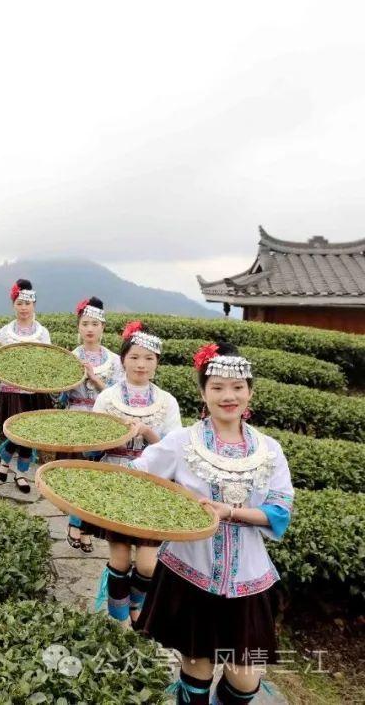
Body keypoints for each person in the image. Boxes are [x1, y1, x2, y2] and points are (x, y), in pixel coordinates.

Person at [134, 343, 292, 705]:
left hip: (247, 581)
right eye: (217, 387)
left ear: (250, 392)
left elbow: (280, 509)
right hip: (192, 571)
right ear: (203, 393)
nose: (228, 396)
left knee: (245, 682)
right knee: (197, 670)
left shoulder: (269, 450)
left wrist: (230, 512)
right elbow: (138, 477)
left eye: (237, 387)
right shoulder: (181, 443)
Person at [88, 321, 181, 628]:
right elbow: (93, 444)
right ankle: (117, 617)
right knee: (119, 558)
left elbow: (174, 449)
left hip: (153, 484)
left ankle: (137, 603)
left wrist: (148, 433)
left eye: (149, 358)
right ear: (123, 359)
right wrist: (115, 437)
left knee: (147, 562)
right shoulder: (108, 398)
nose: (141, 364)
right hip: (117, 481)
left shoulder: (167, 402)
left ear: (157, 363)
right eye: (135, 357)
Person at [64, 296, 124, 553]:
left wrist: (94, 379)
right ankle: (76, 524)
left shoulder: (115, 360)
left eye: (94, 324)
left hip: (103, 422)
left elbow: (118, 395)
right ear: (79, 327)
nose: (89, 328)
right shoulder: (70, 356)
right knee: (79, 475)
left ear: (103, 327)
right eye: (85, 323)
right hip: (76, 421)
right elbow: (61, 395)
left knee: (94, 477)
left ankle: (83, 526)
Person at [0, 279, 53, 491]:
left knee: (30, 434)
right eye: (19, 303)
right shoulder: (5, 333)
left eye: (27, 303)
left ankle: (20, 473)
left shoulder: (43, 333)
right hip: (11, 388)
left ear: (34, 304)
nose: (24, 308)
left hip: (35, 390)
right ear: (13, 305)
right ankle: (7, 458)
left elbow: (48, 359)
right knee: (18, 431)